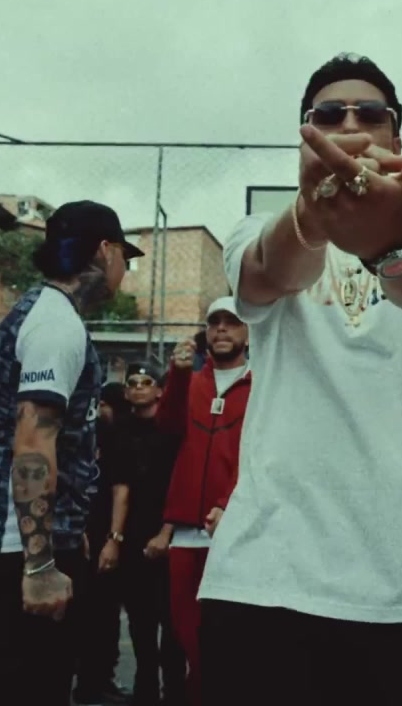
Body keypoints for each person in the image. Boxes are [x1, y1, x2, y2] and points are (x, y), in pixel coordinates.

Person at [197, 52, 402, 706]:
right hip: (267, 579)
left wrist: (390, 243)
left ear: (397, 136)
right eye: (329, 115)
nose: (351, 125)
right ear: (305, 137)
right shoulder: (256, 230)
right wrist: (312, 218)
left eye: (370, 113)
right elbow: (270, 275)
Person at [0, 200, 140, 705]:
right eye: (126, 257)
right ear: (105, 250)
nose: (125, 270)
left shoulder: (44, 313)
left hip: (15, 543)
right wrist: (39, 565)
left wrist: (68, 530)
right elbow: (34, 446)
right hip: (15, 552)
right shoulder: (56, 325)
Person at [154, 297, 251, 706]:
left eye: (232, 321)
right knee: (188, 638)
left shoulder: (262, 385)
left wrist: (229, 503)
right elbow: (167, 426)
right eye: (214, 322)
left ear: (248, 331)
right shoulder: (191, 382)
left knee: (231, 640)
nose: (222, 329)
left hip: (235, 531)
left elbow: (258, 456)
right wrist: (177, 377)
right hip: (186, 534)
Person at [109, 364, 188, 706]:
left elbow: (182, 483)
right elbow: (120, 488)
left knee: (172, 624)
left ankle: (174, 692)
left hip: (172, 533)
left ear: (159, 391)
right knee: (140, 622)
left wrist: (167, 532)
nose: (139, 387)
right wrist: (115, 538)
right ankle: (145, 691)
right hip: (134, 537)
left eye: (146, 382)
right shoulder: (120, 430)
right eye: (133, 383)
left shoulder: (174, 429)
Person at [73, 382, 132, 705]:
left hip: (100, 538)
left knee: (103, 614)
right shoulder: (68, 431)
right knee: (72, 615)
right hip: (71, 535)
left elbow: (120, 491)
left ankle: (95, 683)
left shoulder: (113, 436)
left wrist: (113, 539)